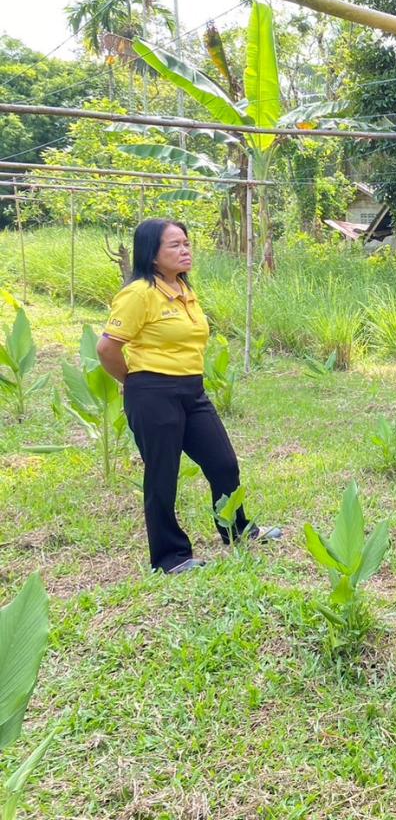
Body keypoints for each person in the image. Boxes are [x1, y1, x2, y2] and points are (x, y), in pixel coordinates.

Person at [97, 219, 281, 575]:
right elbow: (107, 348)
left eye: (186, 243)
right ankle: (170, 557)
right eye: (175, 246)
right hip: (152, 392)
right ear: (152, 255)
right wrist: (134, 381)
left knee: (223, 462)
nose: (185, 251)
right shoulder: (139, 294)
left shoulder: (183, 290)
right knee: (163, 474)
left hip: (192, 391)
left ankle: (236, 530)